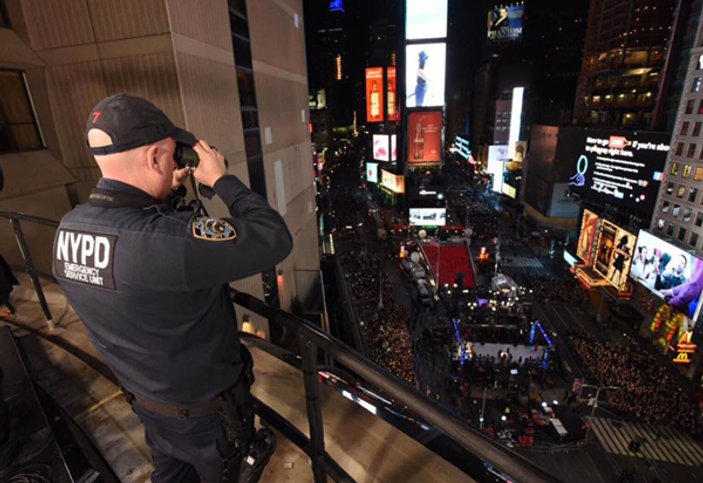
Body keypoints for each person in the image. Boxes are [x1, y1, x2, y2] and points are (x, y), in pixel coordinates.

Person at [52, 94, 293, 483]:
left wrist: (166, 190)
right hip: (210, 420)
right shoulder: (168, 243)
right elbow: (273, 237)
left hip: (150, 408)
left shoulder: (68, 230)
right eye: (170, 154)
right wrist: (221, 180)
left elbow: (148, 251)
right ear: (154, 158)